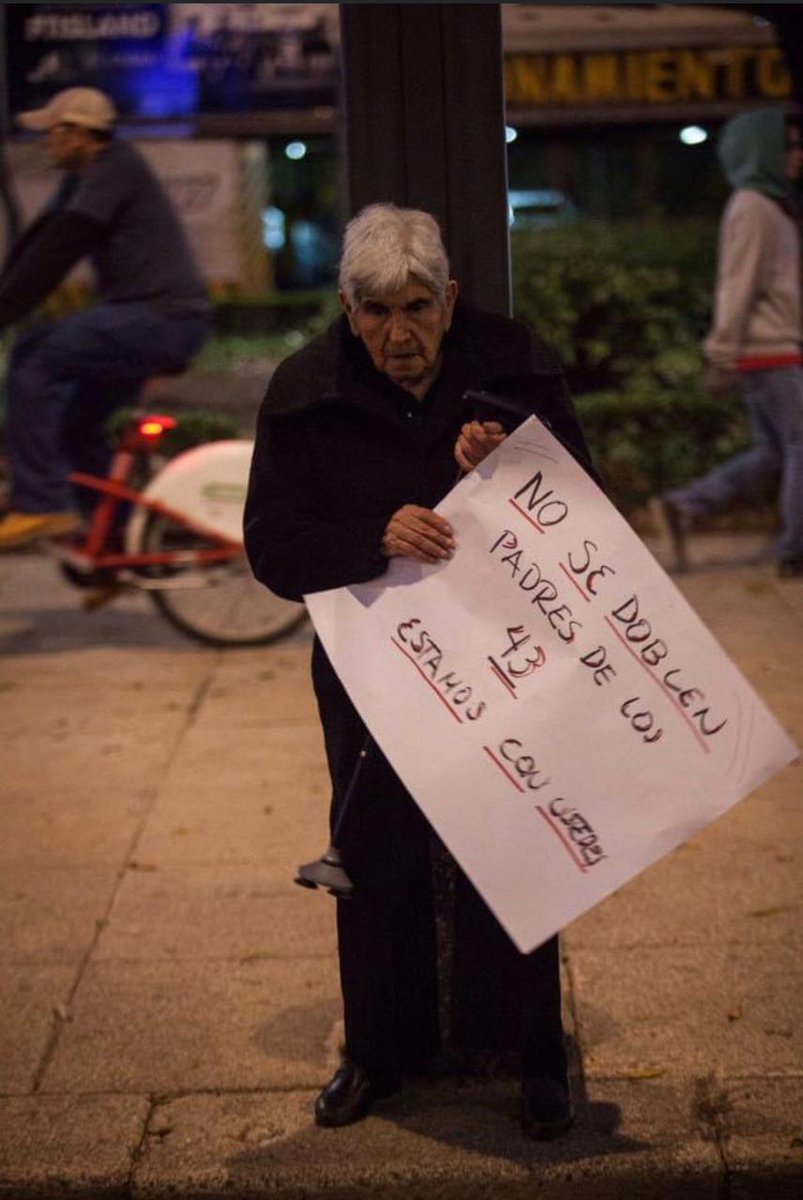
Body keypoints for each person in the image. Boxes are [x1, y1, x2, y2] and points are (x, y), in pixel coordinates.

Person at [244, 203, 599, 1138]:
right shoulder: (304, 389)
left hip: (505, 660)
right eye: (373, 313)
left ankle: (535, 1057)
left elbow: (584, 500)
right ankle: (375, 1056)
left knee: (521, 849)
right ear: (347, 309)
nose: (397, 336)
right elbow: (274, 550)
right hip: (373, 677)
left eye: (415, 309)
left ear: (448, 299)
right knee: (371, 859)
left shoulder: (511, 364)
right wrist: (371, 537)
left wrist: (515, 465)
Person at [0, 87, 209, 550]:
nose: (47, 143)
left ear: (78, 133)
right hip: (149, 319)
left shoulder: (115, 167)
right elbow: (39, 242)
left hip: (161, 318)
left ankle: (41, 503)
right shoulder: (84, 178)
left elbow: (61, 247)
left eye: (53, 132)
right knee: (79, 425)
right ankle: (113, 543)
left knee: (32, 357)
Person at [661, 109, 803, 576]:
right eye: (790, 147)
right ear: (763, 152)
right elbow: (736, 284)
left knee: (777, 450)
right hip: (772, 349)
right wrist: (722, 353)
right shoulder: (753, 205)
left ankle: (685, 505)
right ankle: (795, 551)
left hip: (775, 347)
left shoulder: (767, 204)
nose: (798, 156)